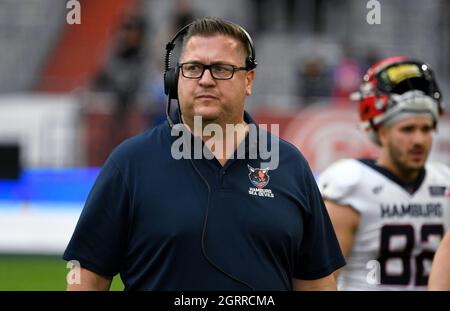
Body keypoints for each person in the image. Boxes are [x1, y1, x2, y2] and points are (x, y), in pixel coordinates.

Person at [63, 17, 345, 291]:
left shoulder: (290, 166)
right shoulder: (129, 163)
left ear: (248, 80)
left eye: (221, 69)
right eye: (194, 68)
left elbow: (316, 282)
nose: (206, 80)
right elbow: (87, 277)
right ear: (174, 79)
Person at [317, 56, 450, 290]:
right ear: (382, 132)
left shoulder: (444, 182)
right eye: (407, 129)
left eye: (426, 128)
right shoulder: (351, 185)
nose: (419, 140)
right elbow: (322, 280)